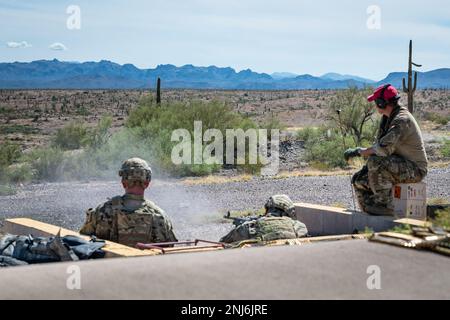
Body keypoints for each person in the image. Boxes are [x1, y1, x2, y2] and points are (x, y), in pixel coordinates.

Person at [344, 84, 428, 216]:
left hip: (415, 169)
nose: (375, 105)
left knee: (376, 162)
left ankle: (384, 205)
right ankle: (370, 210)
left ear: (382, 103)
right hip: (397, 166)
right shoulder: (388, 119)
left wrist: (359, 151)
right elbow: (380, 146)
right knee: (358, 180)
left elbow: (383, 149)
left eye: (376, 102)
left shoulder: (402, 120)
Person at [79, 157, 177, 247]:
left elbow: (83, 242)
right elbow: (168, 251)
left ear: (123, 183)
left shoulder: (102, 211)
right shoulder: (159, 216)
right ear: (147, 183)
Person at [220, 194, 308, 243]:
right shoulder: (299, 226)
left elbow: (223, 243)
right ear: (289, 211)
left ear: (268, 209)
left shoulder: (248, 228)